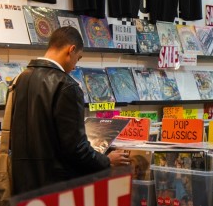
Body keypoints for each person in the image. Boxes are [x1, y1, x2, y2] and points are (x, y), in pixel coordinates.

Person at [10, 26, 130, 195]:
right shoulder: (66, 86)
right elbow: (76, 148)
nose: (75, 66)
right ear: (71, 50)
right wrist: (106, 161)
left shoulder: (20, 79)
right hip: (56, 186)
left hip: (22, 186)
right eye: (78, 58)